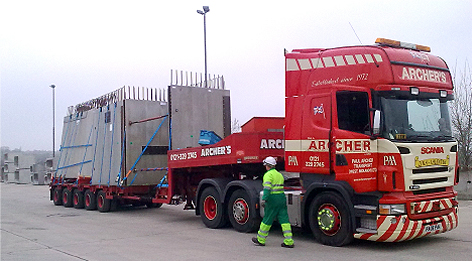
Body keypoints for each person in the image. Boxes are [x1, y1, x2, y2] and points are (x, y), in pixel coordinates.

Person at [252, 156, 294, 248]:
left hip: (272, 199)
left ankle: (260, 239)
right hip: (281, 198)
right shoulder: (279, 174)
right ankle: (289, 240)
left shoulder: (268, 175)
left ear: (267, 166)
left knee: (267, 219)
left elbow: (267, 188)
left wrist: (264, 199)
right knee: (284, 219)